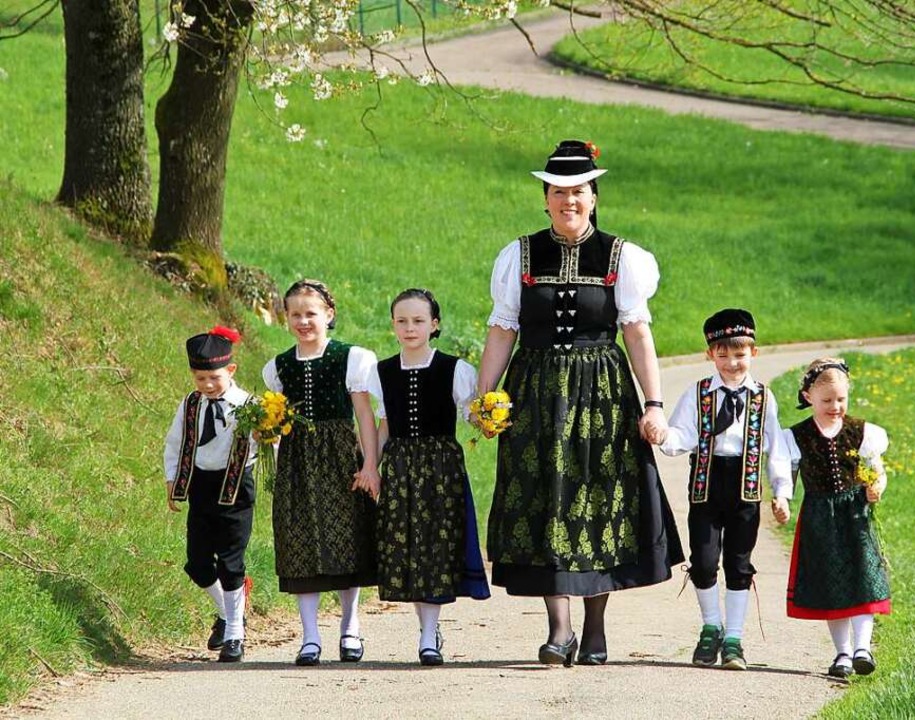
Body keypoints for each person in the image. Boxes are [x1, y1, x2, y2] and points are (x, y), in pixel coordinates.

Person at [477, 139, 684, 667]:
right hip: (536, 393)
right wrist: (486, 397)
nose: (569, 200)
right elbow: (503, 330)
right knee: (547, 500)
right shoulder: (518, 255)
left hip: (602, 393)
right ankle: (559, 629)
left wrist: (654, 404)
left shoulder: (623, 257)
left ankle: (595, 627)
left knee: (597, 501)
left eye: (579, 191)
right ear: (545, 198)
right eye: (558, 191)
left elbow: (637, 335)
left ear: (593, 196)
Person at [653, 308, 792, 670]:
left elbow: (775, 447)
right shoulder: (698, 393)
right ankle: (710, 627)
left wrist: (781, 491)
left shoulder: (764, 397)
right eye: (724, 353)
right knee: (702, 559)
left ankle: (734, 638)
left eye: (740, 354)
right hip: (706, 485)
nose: (732, 362)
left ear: (753, 354)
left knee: (739, 562)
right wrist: (663, 435)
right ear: (710, 354)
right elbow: (682, 434)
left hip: (745, 489)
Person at [360, 288, 491, 667]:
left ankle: (428, 635)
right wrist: (371, 465)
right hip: (400, 467)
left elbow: (473, 417)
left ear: (434, 325)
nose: (409, 327)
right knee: (411, 549)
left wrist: (490, 418)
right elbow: (384, 427)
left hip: (440, 469)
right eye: (401, 321)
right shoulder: (381, 372)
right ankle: (427, 630)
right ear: (393, 326)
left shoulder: (454, 369)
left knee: (436, 547)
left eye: (418, 320)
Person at [262, 279, 380, 666]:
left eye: (310, 313)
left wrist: (369, 463)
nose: (302, 321)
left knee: (346, 538)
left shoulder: (351, 358)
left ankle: (350, 626)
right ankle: (309, 636)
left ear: (328, 314)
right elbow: (277, 423)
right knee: (299, 544)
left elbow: (364, 414)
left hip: (340, 456)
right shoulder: (278, 367)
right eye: (295, 314)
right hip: (297, 462)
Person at [781, 358, 891, 679]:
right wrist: (782, 499)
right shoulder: (796, 437)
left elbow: (878, 472)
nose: (835, 406)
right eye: (827, 400)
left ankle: (863, 648)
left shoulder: (863, 432)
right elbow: (785, 475)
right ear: (807, 397)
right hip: (820, 517)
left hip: (855, 515)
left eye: (841, 399)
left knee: (863, 578)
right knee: (833, 584)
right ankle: (842, 653)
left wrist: (876, 487)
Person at [163, 325, 256, 663]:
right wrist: (172, 480)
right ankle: (230, 612)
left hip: (236, 489)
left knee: (231, 562)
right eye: (200, 378)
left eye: (213, 378)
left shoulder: (249, 406)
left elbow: (271, 442)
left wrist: (271, 430)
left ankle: (235, 633)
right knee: (198, 563)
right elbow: (175, 443)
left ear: (230, 370)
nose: (206, 385)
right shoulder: (190, 404)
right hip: (201, 487)